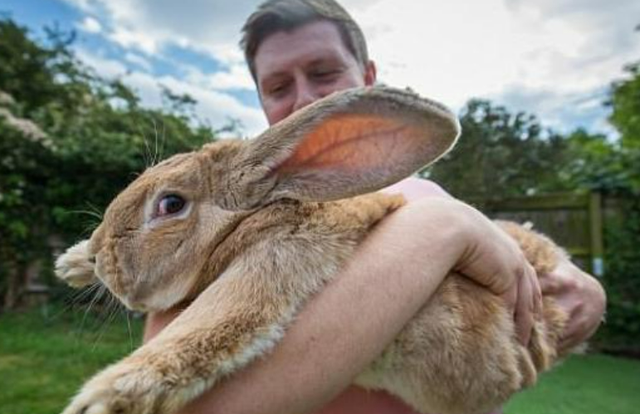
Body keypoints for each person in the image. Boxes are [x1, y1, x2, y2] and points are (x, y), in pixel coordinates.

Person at [144, 1, 607, 413]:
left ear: (368, 78)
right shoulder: (225, 212)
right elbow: (169, 382)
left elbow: (527, 302)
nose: (305, 98)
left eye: (324, 73)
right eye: (279, 86)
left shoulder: (432, 197)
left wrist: (585, 292)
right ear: (261, 101)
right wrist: (442, 231)